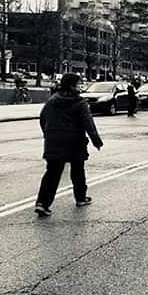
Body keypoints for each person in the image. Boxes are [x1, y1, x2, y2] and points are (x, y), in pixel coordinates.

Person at [34, 73, 103, 217]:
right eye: (79, 83)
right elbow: (88, 123)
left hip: (54, 141)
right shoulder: (80, 102)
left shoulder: (52, 100)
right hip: (75, 142)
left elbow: (42, 118)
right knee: (78, 171)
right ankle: (80, 198)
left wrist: (49, 134)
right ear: (72, 86)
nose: (81, 86)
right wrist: (96, 141)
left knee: (52, 174)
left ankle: (42, 203)